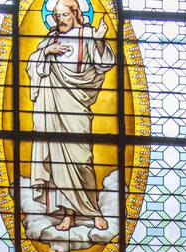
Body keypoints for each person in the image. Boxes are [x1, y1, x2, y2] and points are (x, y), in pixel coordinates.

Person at [26, 0, 114, 232]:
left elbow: (103, 65)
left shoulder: (89, 34)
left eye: (64, 14)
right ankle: (69, 215)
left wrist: (100, 40)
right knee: (59, 161)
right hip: (53, 109)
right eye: (56, 16)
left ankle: (93, 211)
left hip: (77, 106)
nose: (59, 19)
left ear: (75, 13)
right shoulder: (52, 39)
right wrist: (46, 51)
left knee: (82, 159)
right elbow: (31, 65)